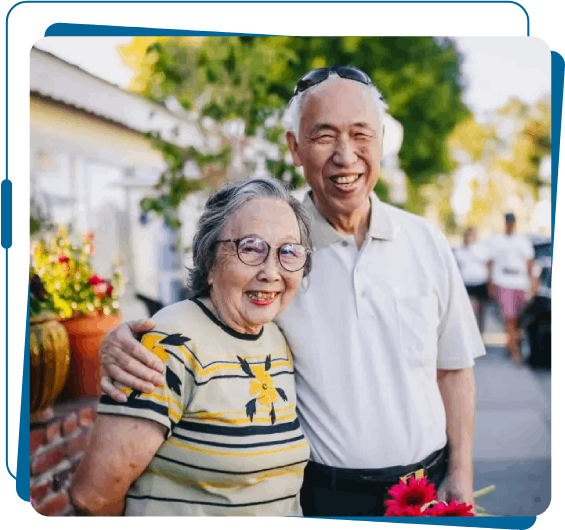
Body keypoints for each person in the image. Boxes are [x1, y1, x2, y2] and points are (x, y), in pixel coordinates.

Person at [98, 65, 486, 517]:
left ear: (380, 141)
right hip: (322, 496)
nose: (346, 156)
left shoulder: (427, 242)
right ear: (295, 148)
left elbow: (453, 370)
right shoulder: (277, 252)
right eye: (324, 136)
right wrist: (124, 338)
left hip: (428, 489)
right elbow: (208, 317)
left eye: (362, 134)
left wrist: (462, 473)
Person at [70, 178, 314, 516]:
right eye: (251, 248)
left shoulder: (276, 338)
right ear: (211, 261)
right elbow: (92, 496)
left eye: (289, 251)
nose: (271, 271)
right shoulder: (169, 345)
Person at [486, 212, 536, 364]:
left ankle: (511, 343)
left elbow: (529, 262)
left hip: (520, 282)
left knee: (518, 318)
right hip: (503, 281)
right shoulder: (497, 241)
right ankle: (515, 352)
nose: (510, 224)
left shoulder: (522, 241)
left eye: (512, 221)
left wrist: (532, 283)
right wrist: (490, 283)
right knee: (510, 317)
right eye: (508, 221)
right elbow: (490, 262)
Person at [453, 227, 490, 333]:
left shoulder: (481, 249)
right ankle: (472, 333)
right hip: (468, 283)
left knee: (481, 311)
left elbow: (488, 264)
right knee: (472, 309)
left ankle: (480, 333)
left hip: (481, 282)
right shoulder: (460, 251)